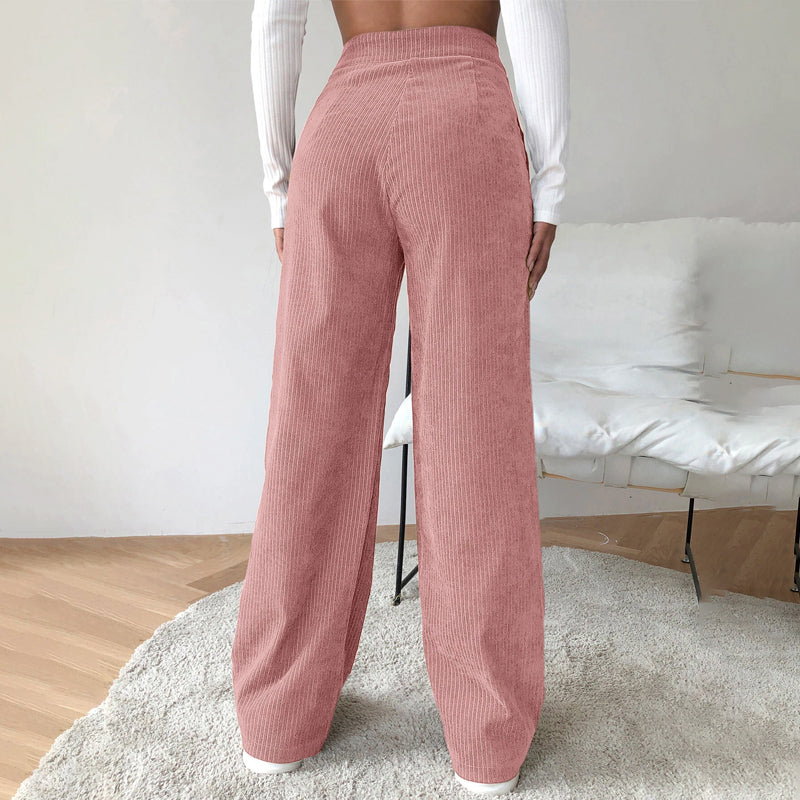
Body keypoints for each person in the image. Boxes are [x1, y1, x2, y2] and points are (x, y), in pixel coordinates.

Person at [232, 0, 570, 795]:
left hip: (342, 123)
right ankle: (486, 744)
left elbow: (276, 19)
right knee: (475, 427)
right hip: (465, 117)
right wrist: (549, 184)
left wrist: (280, 185)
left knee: (312, 422)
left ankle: (277, 723)